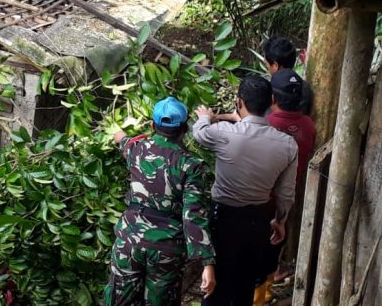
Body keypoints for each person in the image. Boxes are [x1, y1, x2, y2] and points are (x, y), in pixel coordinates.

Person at [192, 76, 298, 306]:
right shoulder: (288, 144)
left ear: (239, 102)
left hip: (224, 220)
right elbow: (286, 193)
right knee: (245, 285)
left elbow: (199, 133)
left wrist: (204, 117)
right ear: (271, 101)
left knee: (216, 285)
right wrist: (280, 220)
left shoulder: (222, 133)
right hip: (258, 222)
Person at [106, 96, 216, 306]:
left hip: (130, 242)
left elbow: (121, 138)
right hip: (166, 249)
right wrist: (207, 263)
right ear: (184, 129)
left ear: (151, 125)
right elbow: (193, 214)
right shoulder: (191, 165)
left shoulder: (136, 149)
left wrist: (117, 133)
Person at [254, 69, 317, 303]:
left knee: (255, 255)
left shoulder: (266, 124)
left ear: (272, 98)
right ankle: (266, 294)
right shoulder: (308, 126)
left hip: (259, 200)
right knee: (272, 250)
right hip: (286, 198)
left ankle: (256, 298)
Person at [262, 37, 313, 115]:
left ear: (275, 65)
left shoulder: (270, 90)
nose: (267, 68)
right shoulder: (305, 87)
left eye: (267, 64)